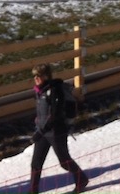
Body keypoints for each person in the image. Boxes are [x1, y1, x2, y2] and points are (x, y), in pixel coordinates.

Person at [29, 64, 88, 194]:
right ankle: (33, 191)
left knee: (64, 162)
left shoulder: (55, 90)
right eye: (34, 76)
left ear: (46, 76)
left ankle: (81, 179)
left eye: (38, 76)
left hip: (56, 132)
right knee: (36, 163)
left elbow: (55, 115)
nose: (36, 79)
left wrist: (41, 132)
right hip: (43, 132)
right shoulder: (39, 91)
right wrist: (39, 127)